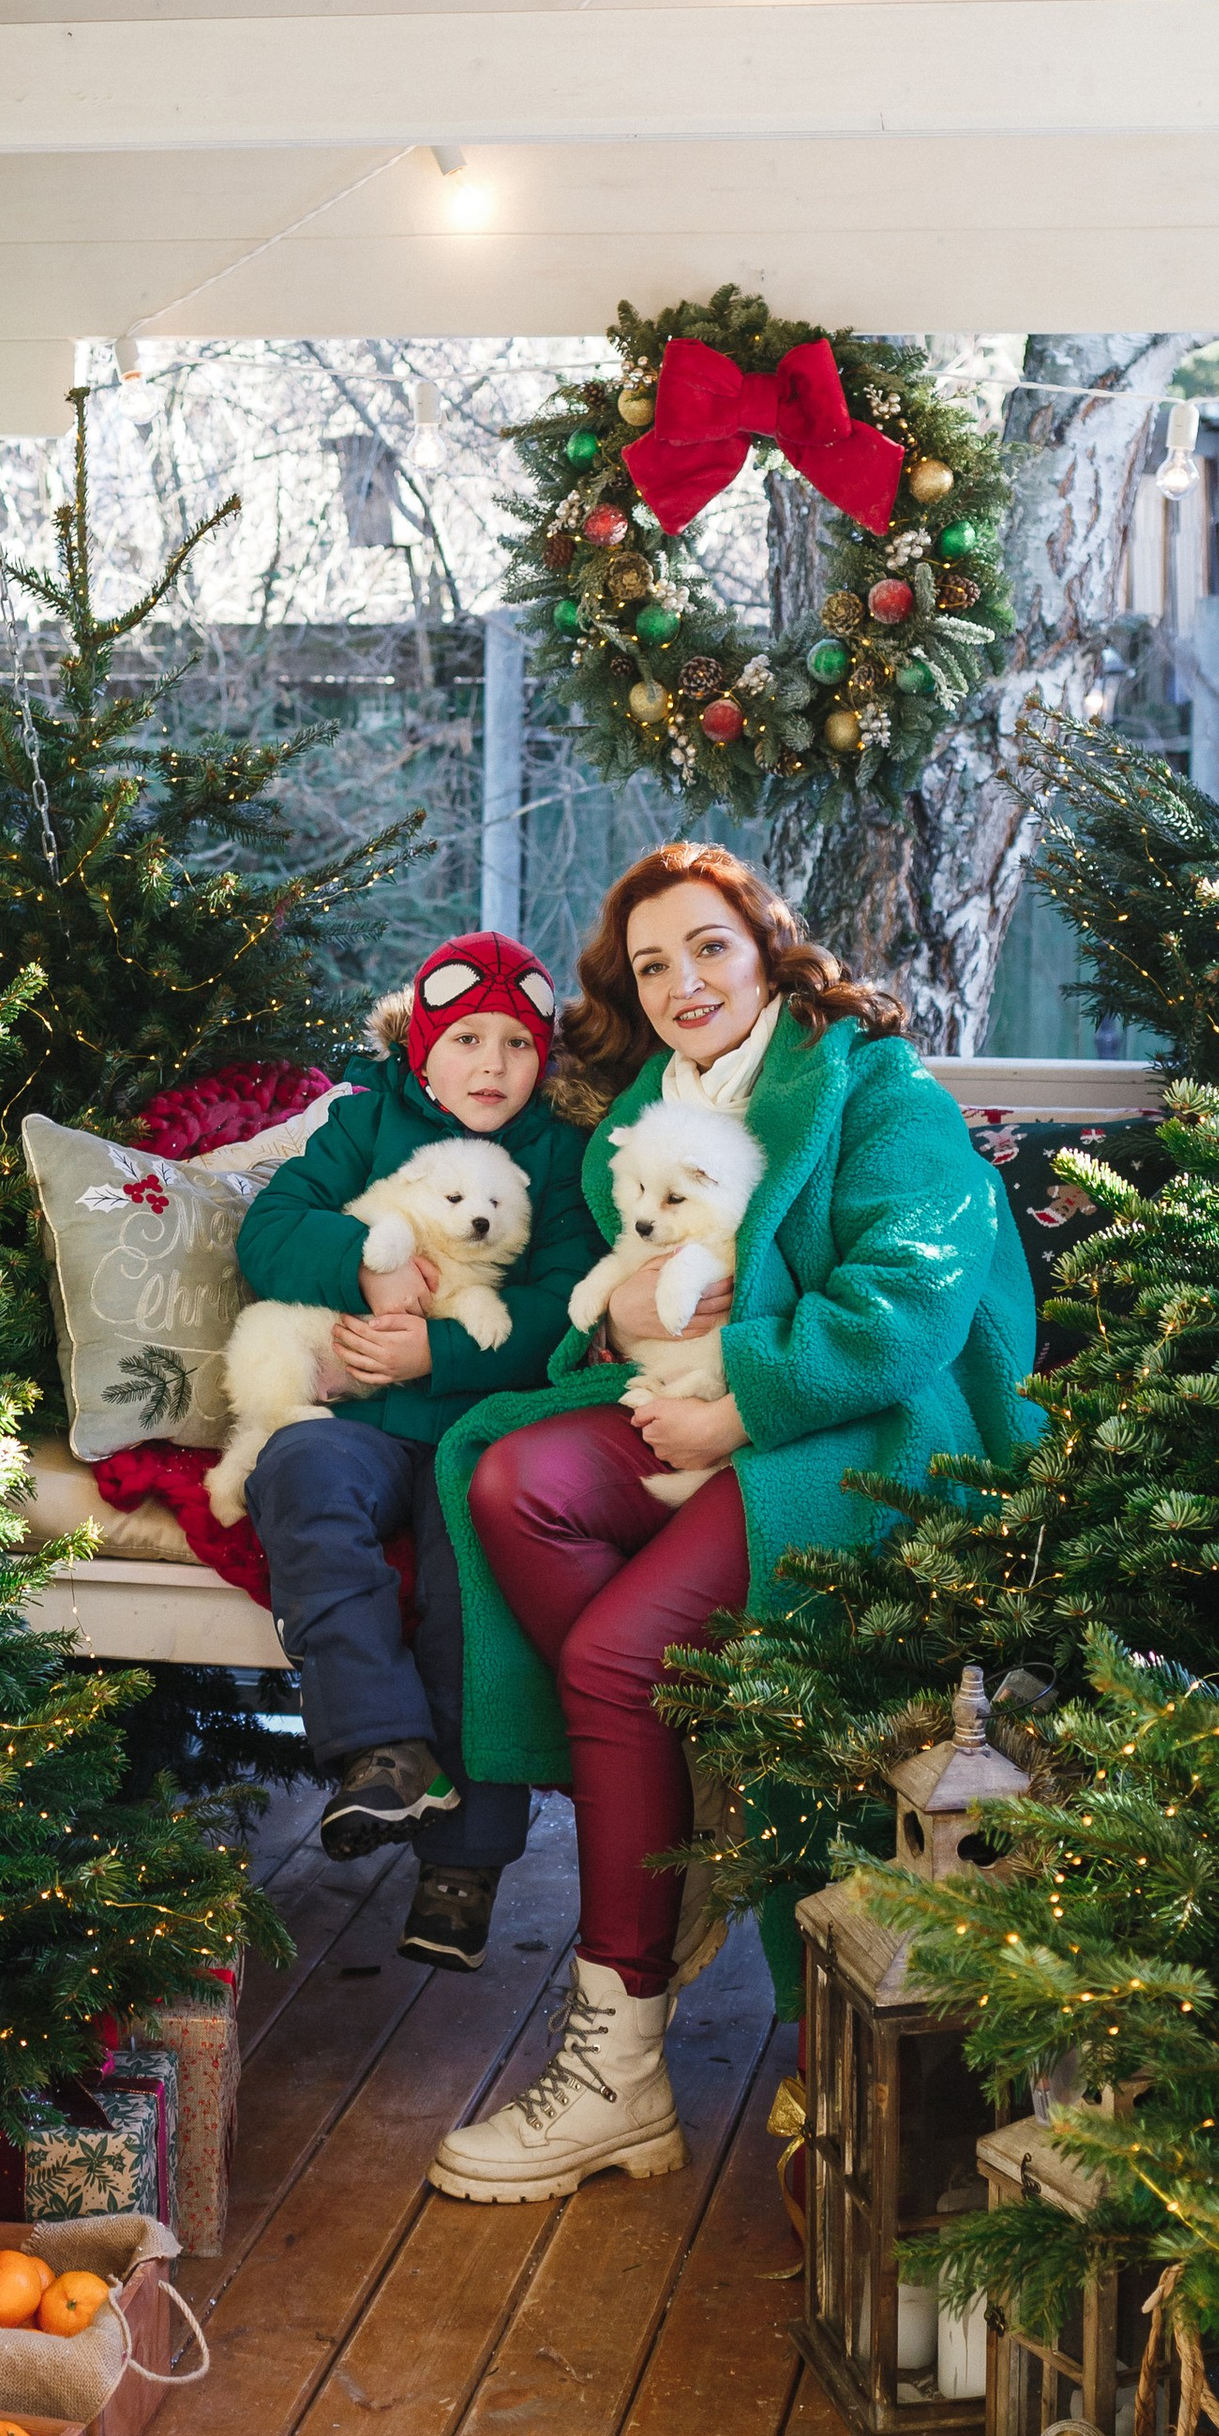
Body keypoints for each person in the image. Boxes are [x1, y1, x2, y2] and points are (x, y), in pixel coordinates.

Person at [426, 842, 1039, 2199]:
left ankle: (618, 2067)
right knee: (511, 1482)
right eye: (652, 966)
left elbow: (910, 1306)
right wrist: (622, 1319)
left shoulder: (878, 1092)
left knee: (615, 1660)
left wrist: (740, 1407)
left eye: (709, 946)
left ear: (767, 949)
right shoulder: (646, 1118)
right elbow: (620, 1298)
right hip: (697, 1411)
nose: (684, 982)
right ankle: (687, 1768)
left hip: (865, 1436)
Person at [234, 930, 606, 1972]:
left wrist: (433, 1352)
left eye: (518, 1045)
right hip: (356, 1422)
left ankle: (466, 1859)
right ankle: (384, 1749)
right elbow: (270, 1231)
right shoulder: (362, 1123)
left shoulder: (561, 1153)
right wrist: (364, 1268)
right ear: (421, 1050)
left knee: (468, 1592)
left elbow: (565, 1305)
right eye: (466, 1041)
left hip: (477, 1427)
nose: (492, 1067)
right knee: (297, 1474)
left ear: (545, 1059)